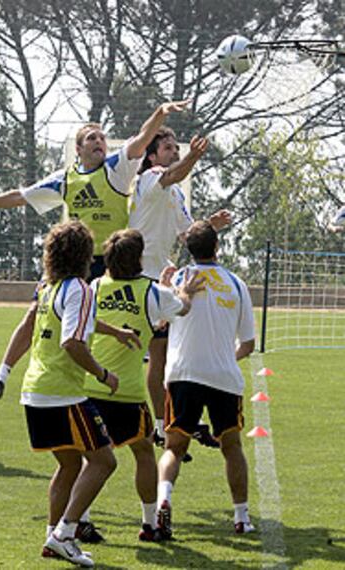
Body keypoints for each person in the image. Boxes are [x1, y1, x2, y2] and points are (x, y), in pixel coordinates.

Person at [0, 100, 191, 398]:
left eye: (102, 138)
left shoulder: (117, 168)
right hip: (73, 260)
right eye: (92, 137)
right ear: (78, 149)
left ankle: (114, 389)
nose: (100, 142)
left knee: (117, 321)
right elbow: (20, 196)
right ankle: (1, 376)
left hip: (111, 262)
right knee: (35, 311)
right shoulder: (65, 179)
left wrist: (160, 112)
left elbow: (144, 137)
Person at [21, 220, 137, 566]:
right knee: (104, 461)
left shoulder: (48, 288)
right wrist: (103, 374)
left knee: (70, 464)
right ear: (87, 253)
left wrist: (113, 331)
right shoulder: (82, 289)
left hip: (34, 390)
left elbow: (74, 322)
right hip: (62, 392)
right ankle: (65, 533)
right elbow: (72, 341)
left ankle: (51, 536)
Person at [83, 229, 205, 542]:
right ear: (138, 259)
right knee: (144, 452)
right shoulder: (150, 291)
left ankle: (80, 520)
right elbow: (181, 308)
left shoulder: (95, 286)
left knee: (90, 458)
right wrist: (185, 290)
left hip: (90, 384)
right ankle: (150, 524)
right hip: (126, 393)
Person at [129, 126, 231, 447]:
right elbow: (173, 174)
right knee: (156, 355)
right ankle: (162, 425)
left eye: (177, 147)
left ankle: (176, 422)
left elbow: (187, 234)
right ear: (152, 156)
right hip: (143, 279)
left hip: (165, 280)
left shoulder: (175, 192)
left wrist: (210, 225)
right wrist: (192, 157)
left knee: (171, 353)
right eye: (168, 148)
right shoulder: (149, 179)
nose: (174, 151)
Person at [155, 220, 256, 541]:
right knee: (232, 446)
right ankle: (241, 517)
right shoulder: (237, 284)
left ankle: (164, 500)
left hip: (182, 374)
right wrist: (226, 357)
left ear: (189, 249)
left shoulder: (180, 279)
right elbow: (249, 344)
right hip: (223, 376)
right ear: (218, 247)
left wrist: (163, 284)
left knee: (174, 447)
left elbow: (159, 321)